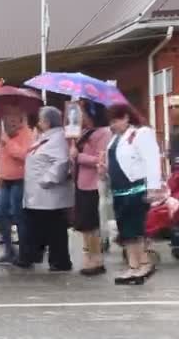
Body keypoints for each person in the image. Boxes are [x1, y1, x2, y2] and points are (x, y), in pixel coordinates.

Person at [99, 104, 162, 285]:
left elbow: (151, 160)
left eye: (116, 120)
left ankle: (144, 263)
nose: (113, 125)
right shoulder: (114, 140)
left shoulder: (141, 134)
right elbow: (118, 164)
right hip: (118, 189)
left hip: (136, 189)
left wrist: (153, 188)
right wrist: (105, 171)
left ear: (126, 117)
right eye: (110, 121)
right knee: (125, 230)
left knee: (136, 229)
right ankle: (133, 265)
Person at [20, 106, 73, 272]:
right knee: (42, 226)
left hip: (50, 194)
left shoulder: (58, 138)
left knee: (55, 229)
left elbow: (62, 162)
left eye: (42, 119)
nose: (39, 122)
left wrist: (46, 180)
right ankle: (34, 255)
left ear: (48, 122)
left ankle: (60, 261)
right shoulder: (46, 137)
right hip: (39, 195)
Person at [69, 101, 112, 276]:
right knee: (85, 224)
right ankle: (88, 254)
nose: (82, 117)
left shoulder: (103, 133)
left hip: (93, 184)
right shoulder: (84, 132)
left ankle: (96, 258)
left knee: (92, 224)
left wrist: (78, 156)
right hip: (81, 182)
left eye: (84, 113)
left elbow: (100, 159)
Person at [0, 107, 33, 265]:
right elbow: (3, 159)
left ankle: (24, 254)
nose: (11, 122)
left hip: (20, 179)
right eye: (8, 118)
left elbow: (25, 155)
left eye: (14, 118)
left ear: (21, 119)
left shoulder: (27, 134)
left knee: (19, 216)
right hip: (5, 180)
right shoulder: (3, 134)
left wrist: (8, 144)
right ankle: (9, 250)